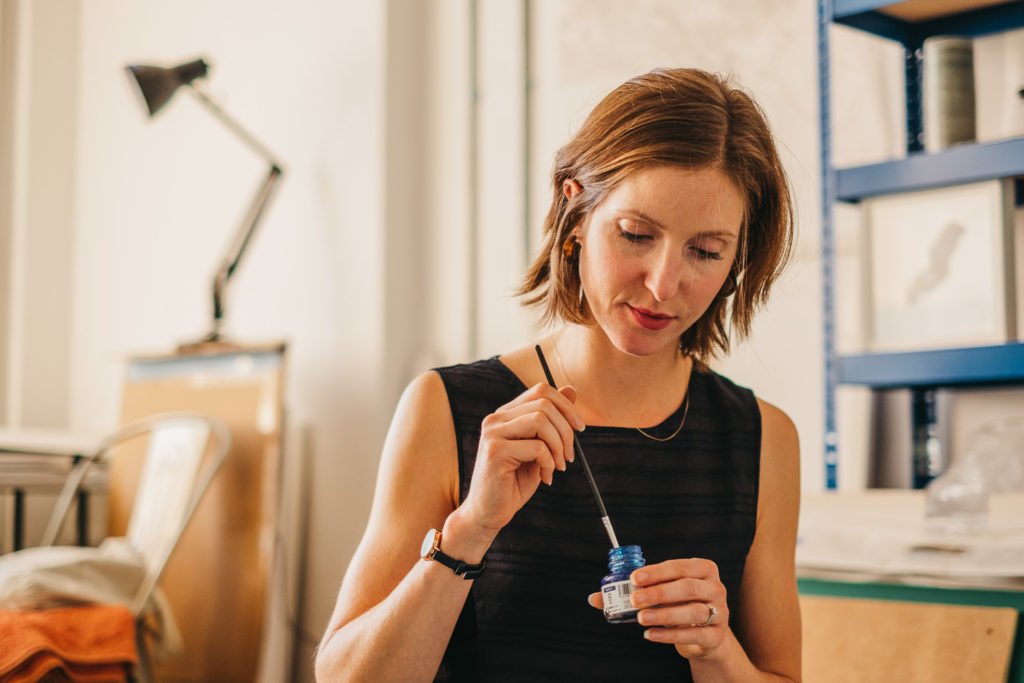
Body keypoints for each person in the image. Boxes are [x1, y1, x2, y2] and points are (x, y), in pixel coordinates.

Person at [316, 67, 801, 682]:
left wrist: (717, 650)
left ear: (739, 257)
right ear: (575, 213)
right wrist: (469, 531)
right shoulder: (447, 409)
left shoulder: (763, 439)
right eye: (635, 235)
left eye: (705, 251)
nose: (662, 284)